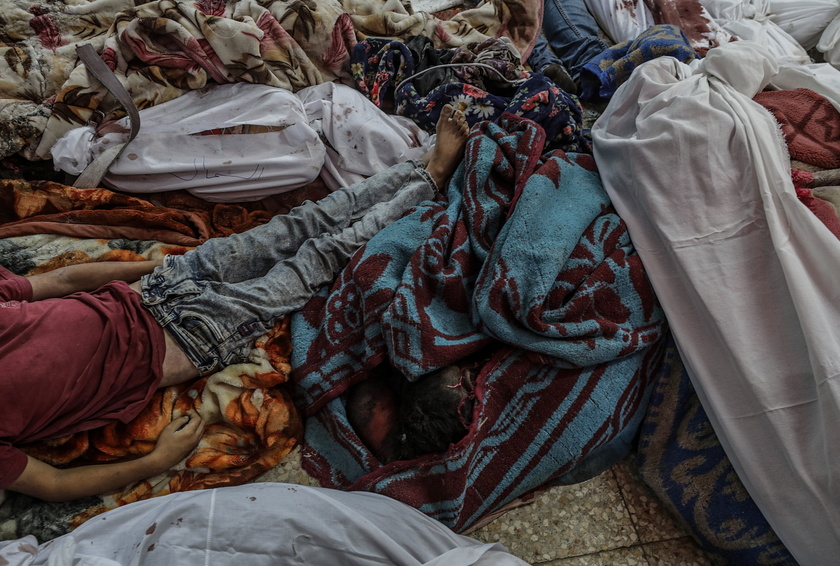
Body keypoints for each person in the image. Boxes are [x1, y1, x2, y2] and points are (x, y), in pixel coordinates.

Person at [0, 104, 471, 502]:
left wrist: (156, 268)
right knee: (320, 258)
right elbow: (54, 484)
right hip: (188, 336)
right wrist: (159, 458)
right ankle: (430, 179)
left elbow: (60, 279)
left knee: (301, 224)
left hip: (161, 288)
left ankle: (415, 170)